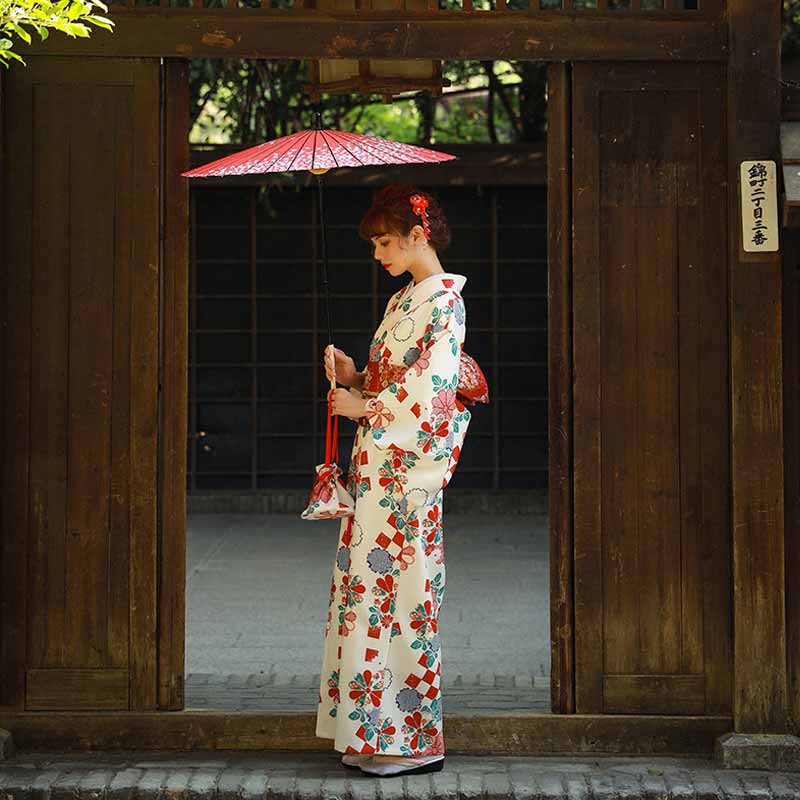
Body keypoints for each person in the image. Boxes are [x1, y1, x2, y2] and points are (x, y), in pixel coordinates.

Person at [314, 184, 472, 778]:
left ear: (417, 236)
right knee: (368, 598)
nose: (379, 253)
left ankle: (408, 739)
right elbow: (387, 381)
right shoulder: (403, 302)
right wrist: (354, 376)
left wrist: (365, 409)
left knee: (402, 598)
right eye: (376, 242)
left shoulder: (444, 303)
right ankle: (370, 733)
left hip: (406, 477)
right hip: (378, 469)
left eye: (386, 241)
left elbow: (431, 394)